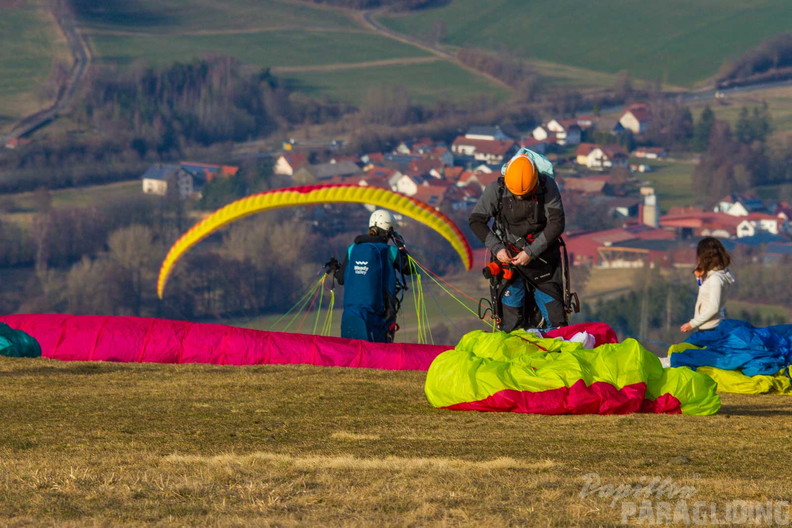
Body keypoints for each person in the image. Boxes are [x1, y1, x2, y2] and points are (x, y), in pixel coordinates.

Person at [469, 148, 567, 331]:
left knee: (556, 321)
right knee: (511, 321)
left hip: (543, 262)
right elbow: (476, 221)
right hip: (509, 263)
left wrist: (531, 252)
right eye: (517, 195)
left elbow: (557, 223)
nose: (521, 197)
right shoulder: (496, 190)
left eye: (526, 194)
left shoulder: (547, 187)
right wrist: (497, 248)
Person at [326, 209, 410, 343]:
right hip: (379, 319)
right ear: (389, 231)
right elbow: (410, 268)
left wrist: (336, 269)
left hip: (350, 316)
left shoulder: (352, 249)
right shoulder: (390, 251)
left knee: (352, 352)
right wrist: (401, 247)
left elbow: (341, 279)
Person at [680, 237, 735, 333]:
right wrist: (699, 279)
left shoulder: (715, 279)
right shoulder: (716, 275)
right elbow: (706, 295)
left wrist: (692, 324)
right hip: (709, 327)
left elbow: (714, 308)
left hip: (710, 328)